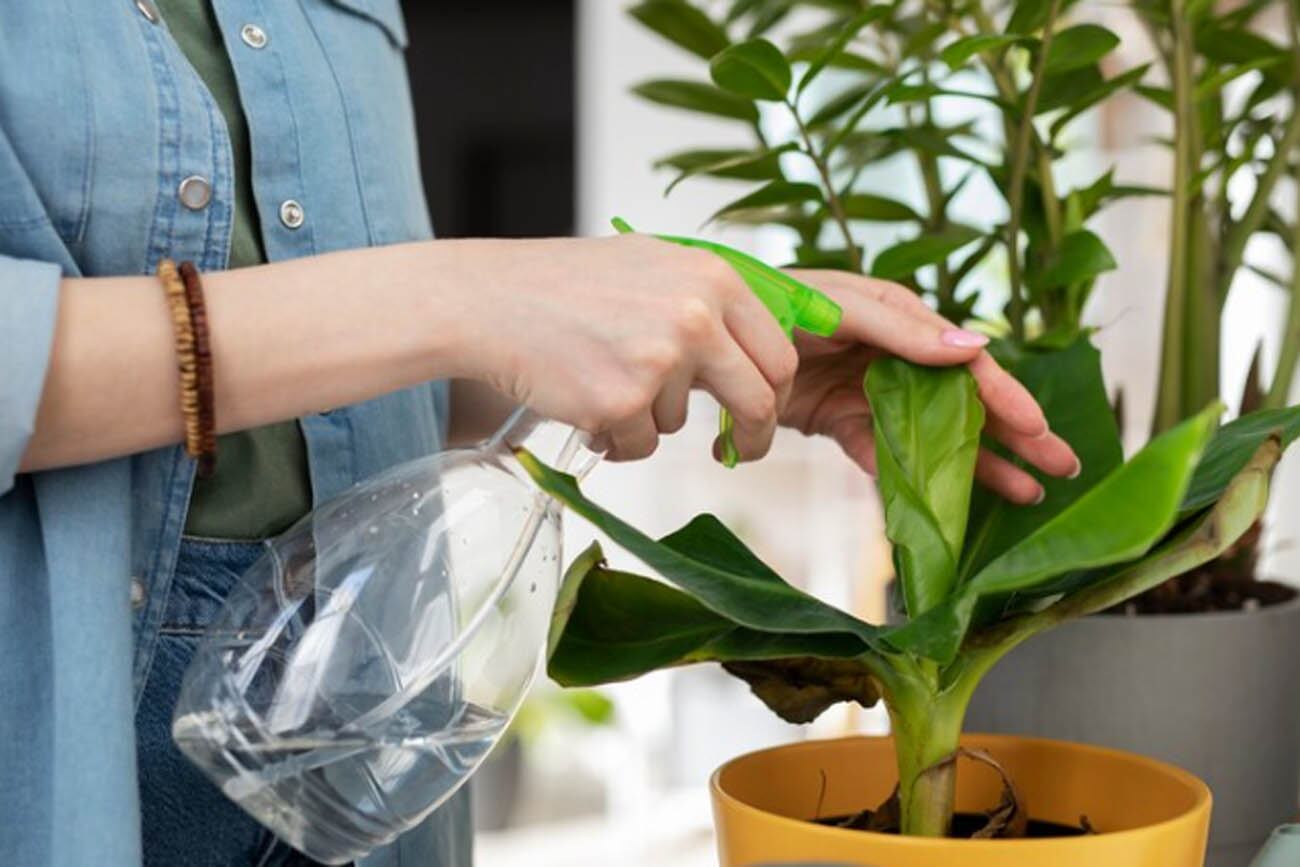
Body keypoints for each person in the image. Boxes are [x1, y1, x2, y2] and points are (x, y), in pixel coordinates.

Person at [0, 2, 1080, 866]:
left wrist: (705, 335)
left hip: (370, 732)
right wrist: (468, 292)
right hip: (63, 742)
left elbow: (383, 379)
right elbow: (426, 308)